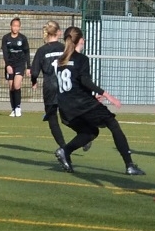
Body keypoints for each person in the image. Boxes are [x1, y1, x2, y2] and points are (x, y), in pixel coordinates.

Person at [52, 26, 145, 176]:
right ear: (81, 40)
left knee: (90, 132)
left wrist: (90, 96)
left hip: (66, 108)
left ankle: (65, 151)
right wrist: (107, 95)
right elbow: (84, 81)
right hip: (82, 105)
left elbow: (73, 85)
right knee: (113, 124)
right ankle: (129, 165)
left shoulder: (60, 61)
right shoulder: (82, 59)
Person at [30, 21, 68, 149]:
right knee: (69, 114)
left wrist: (34, 81)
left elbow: (34, 72)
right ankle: (84, 135)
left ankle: (63, 146)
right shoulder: (65, 48)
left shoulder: (42, 50)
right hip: (65, 85)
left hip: (50, 87)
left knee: (52, 118)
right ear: (58, 32)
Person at [1, 17, 31, 117]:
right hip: (10, 64)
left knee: (16, 85)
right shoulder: (6, 38)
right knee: (11, 87)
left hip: (20, 64)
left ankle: (18, 107)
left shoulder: (23, 38)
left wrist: (28, 67)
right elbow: (5, 53)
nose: (15, 28)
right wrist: (7, 65)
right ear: (11, 26)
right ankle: (13, 109)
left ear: (20, 27)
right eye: (14, 26)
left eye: (17, 26)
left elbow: (27, 52)